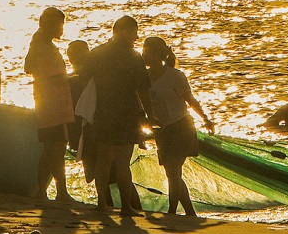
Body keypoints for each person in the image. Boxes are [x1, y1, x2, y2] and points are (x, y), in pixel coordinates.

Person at [87, 16, 155, 215]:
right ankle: (126, 206)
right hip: (126, 112)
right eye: (134, 32)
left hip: (102, 110)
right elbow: (143, 89)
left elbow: (84, 79)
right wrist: (150, 115)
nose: (136, 37)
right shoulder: (133, 56)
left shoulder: (97, 53)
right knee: (123, 161)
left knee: (103, 159)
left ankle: (101, 203)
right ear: (125, 31)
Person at [142, 36, 215, 217]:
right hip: (162, 131)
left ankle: (172, 211)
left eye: (148, 51)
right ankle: (190, 212)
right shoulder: (143, 78)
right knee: (171, 173)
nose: (144, 55)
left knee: (174, 171)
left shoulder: (175, 76)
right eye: (143, 51)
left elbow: (190, 100)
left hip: (182, 127)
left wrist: (206, 119)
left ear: (159, 54)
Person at [24, 7, 74, 203]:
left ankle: (41, 192)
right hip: (54, 105)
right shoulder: (45, 48)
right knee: (57, 149)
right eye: (60, 24)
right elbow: (53, 79)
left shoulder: (39, 46)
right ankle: (61, 192)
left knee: (49, 150)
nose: (61, 28)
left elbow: (29, 69)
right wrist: (73, 79)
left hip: (45, 103)